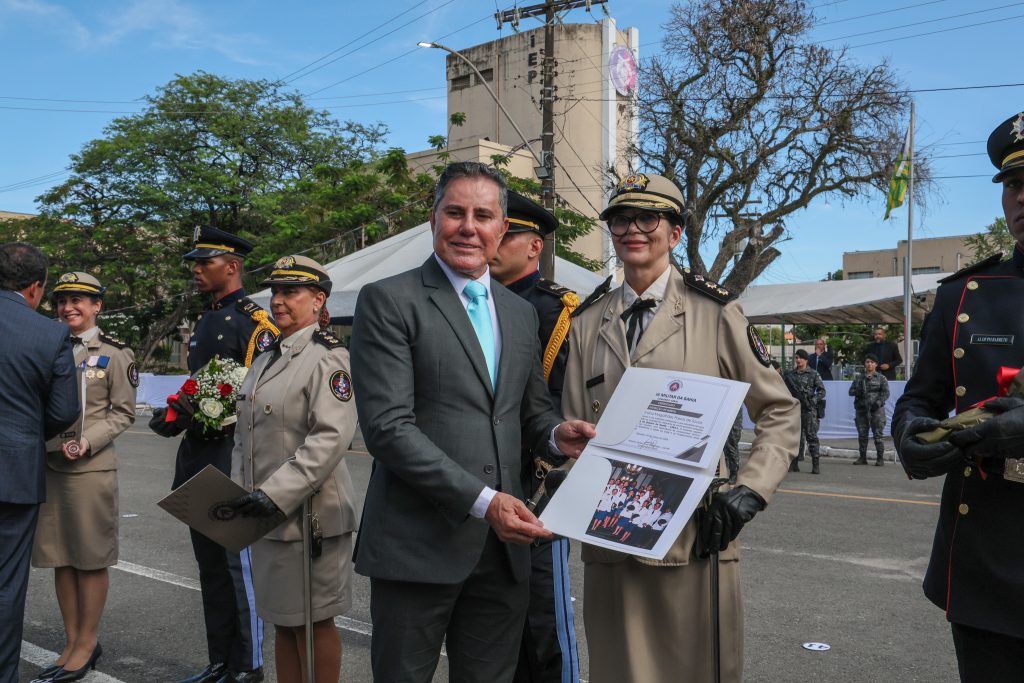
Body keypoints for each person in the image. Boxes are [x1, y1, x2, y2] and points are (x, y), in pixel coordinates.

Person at [349, 161, 595, 682]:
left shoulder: (520, 312)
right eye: (455, 212)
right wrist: (486, 504)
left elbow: (528, 409)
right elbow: (389, 429)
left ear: (502, 229)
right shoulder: (389, 300)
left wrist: (556, 434)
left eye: (483, 215)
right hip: (417, 545)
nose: (469, 226)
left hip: (502, 554)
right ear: (433, 218)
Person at [561, 173, 800, 683]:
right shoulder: (586, 322)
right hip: (612, 538)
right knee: (617, 672)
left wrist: (752, 490)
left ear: (674, 232)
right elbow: (573, 430)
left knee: (697, 671)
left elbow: (779, 411)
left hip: (695, 536)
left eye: (649, 218)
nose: (633, 230)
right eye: (621, 219)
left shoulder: (715, 312)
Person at [893, 111, 1024, 681]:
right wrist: (910, 436)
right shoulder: (964, 295)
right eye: (1015, 186)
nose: (1023, 198)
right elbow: (919, 398)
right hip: (986, 559)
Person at [149, 226, 279, 683]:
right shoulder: (206, 319)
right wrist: (178, 412)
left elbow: (262, 392)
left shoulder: (255, 322)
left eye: (204, 263)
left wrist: (199, 411)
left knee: (236, 562)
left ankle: (250, 664)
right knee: (209, 565)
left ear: (233, 266)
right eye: (195, 264)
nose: (197, 271)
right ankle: (221, 660)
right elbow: (200, 383)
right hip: (200, 456)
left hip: (234, 457)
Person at [224, 256, 357, 683]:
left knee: (315, 623)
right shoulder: (266, 358)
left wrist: (274, 493)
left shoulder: (327, 358)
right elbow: (245, 434)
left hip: (309, 517)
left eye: (291, 292)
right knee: (283, 619)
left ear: (319, 300)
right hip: (267, 515)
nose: (279, 301)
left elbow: (330, 438)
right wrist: (238, 491)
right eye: (276, 292)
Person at [488, 190, 580, 683]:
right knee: (491, 625)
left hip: (536, 482)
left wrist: (536, 475)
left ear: (534, 247)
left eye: (508, 234)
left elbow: (560, 402)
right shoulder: (474, 301)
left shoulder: (555, 310)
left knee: (542, 622)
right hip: (481, 483)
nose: (493, 242)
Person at [30, 273, 137, 683]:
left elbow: (123, 412)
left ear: (97, 306)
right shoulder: (49, 346)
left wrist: (88, 442)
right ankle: (71, 642)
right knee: (61, 557)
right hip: (50, 465)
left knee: (89, 560)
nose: (68, 307)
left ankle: (87, 643)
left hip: (89, 469)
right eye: (62, 300)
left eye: (78, 300)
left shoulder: (114, 353)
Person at [0, 242, 78, 683]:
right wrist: (28, 435)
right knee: (7, 586)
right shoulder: (49, 334)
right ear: (35, 288)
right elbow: (64, 412)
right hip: (14, 472)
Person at [784, 349, 826, 475]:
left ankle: (815, 464)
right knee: (795, 438)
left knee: (811, 437)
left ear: (806, 360)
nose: (798, 360)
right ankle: (794, 464)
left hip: (809, 410)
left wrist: (813, 400)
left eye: (801, 358)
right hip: (795, 410)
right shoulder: (791, 375)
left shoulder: (813, 374)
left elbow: (822, 391)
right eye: (796, 357)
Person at [849, 353, 889, 466]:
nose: (869, 364)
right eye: (867, 362)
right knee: (862, 435)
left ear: (876, 364)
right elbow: (850, 391)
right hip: (862, 410)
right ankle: (862, 458)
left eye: (872, 362)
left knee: (878, 435)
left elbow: (886, 393)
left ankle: (880, 458)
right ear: (864, 364)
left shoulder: (881, 378)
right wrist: (858, 391)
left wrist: (879, 402)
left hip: (877, 411)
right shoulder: (859, 378)